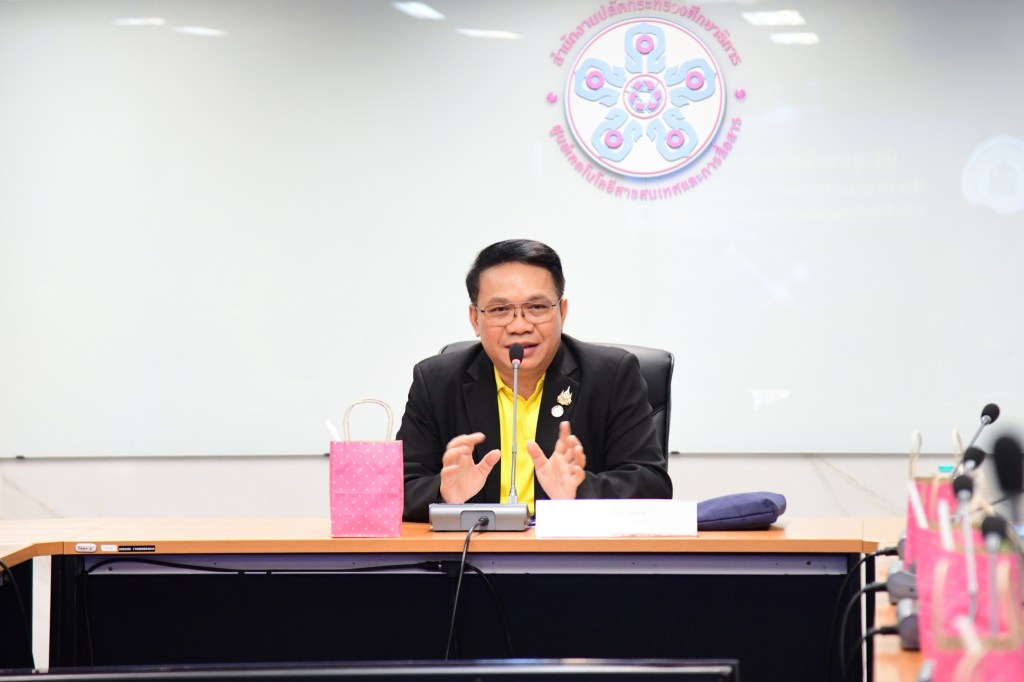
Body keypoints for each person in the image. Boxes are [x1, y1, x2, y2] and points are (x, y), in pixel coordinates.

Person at [399, 239, 672, 521]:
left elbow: (652, 486)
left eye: (537, 307)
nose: (519, 326)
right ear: (474, 319)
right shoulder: (436, 382)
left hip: (567, 547)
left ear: (562, 312)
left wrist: (578, 490)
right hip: (472, 547)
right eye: (500, 310)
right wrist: (444, 492)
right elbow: (398, 490)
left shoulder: (611, 376)